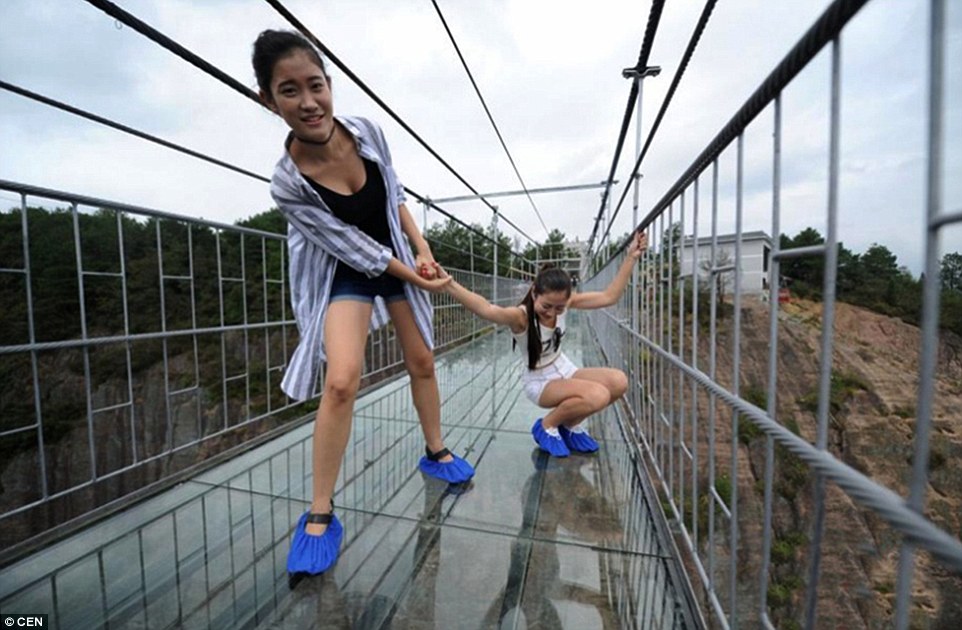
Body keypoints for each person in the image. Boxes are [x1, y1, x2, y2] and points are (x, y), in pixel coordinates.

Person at [252, 29, 474, 575]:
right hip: (344, 271)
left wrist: (422, 249)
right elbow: (352, 247)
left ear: (330, 86)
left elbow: (394, 196)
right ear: (269, 101)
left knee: (421, 360)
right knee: (342, 379)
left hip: (397, 256)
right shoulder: (286, 183)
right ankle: (321, 510)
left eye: (316, 85)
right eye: (289, 91)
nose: (308, 102)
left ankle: (435, 449)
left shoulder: (368, 131)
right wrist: (415, 278)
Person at [434, 231, 648, 457]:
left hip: (565, 368)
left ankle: (568, 426)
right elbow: (487, 309)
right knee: (598, 395)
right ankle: (546, 426)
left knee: (618, 382)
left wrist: (631, 257)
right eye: (546, 306)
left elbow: (608, 297)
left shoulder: (565, 302)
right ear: (534, 293)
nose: (552, 312)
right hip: (540, 381)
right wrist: (449, 285)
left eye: (559, 308)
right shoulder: (521, 317)